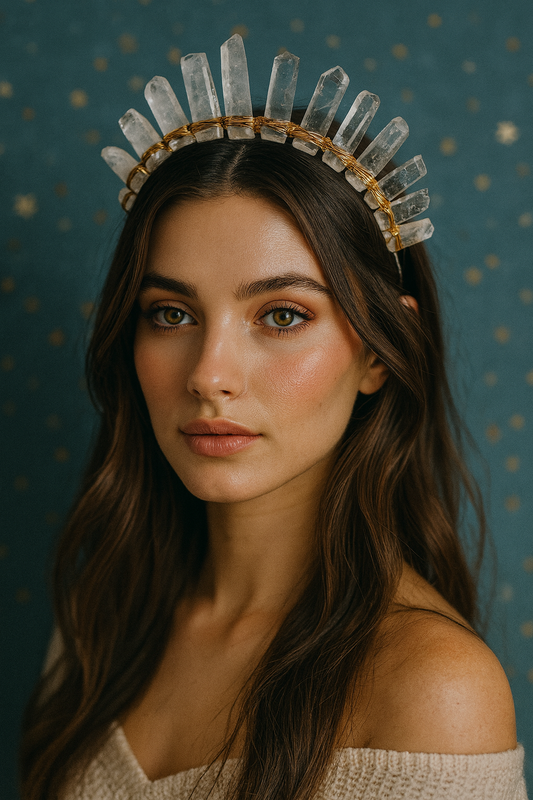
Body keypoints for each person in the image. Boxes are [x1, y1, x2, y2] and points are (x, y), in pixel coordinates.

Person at [20, 40, 527, 800]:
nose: (207, 374)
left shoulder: (434, 689)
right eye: (171, 313)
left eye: (281, 315)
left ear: (379, 354)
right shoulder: (103, 619)